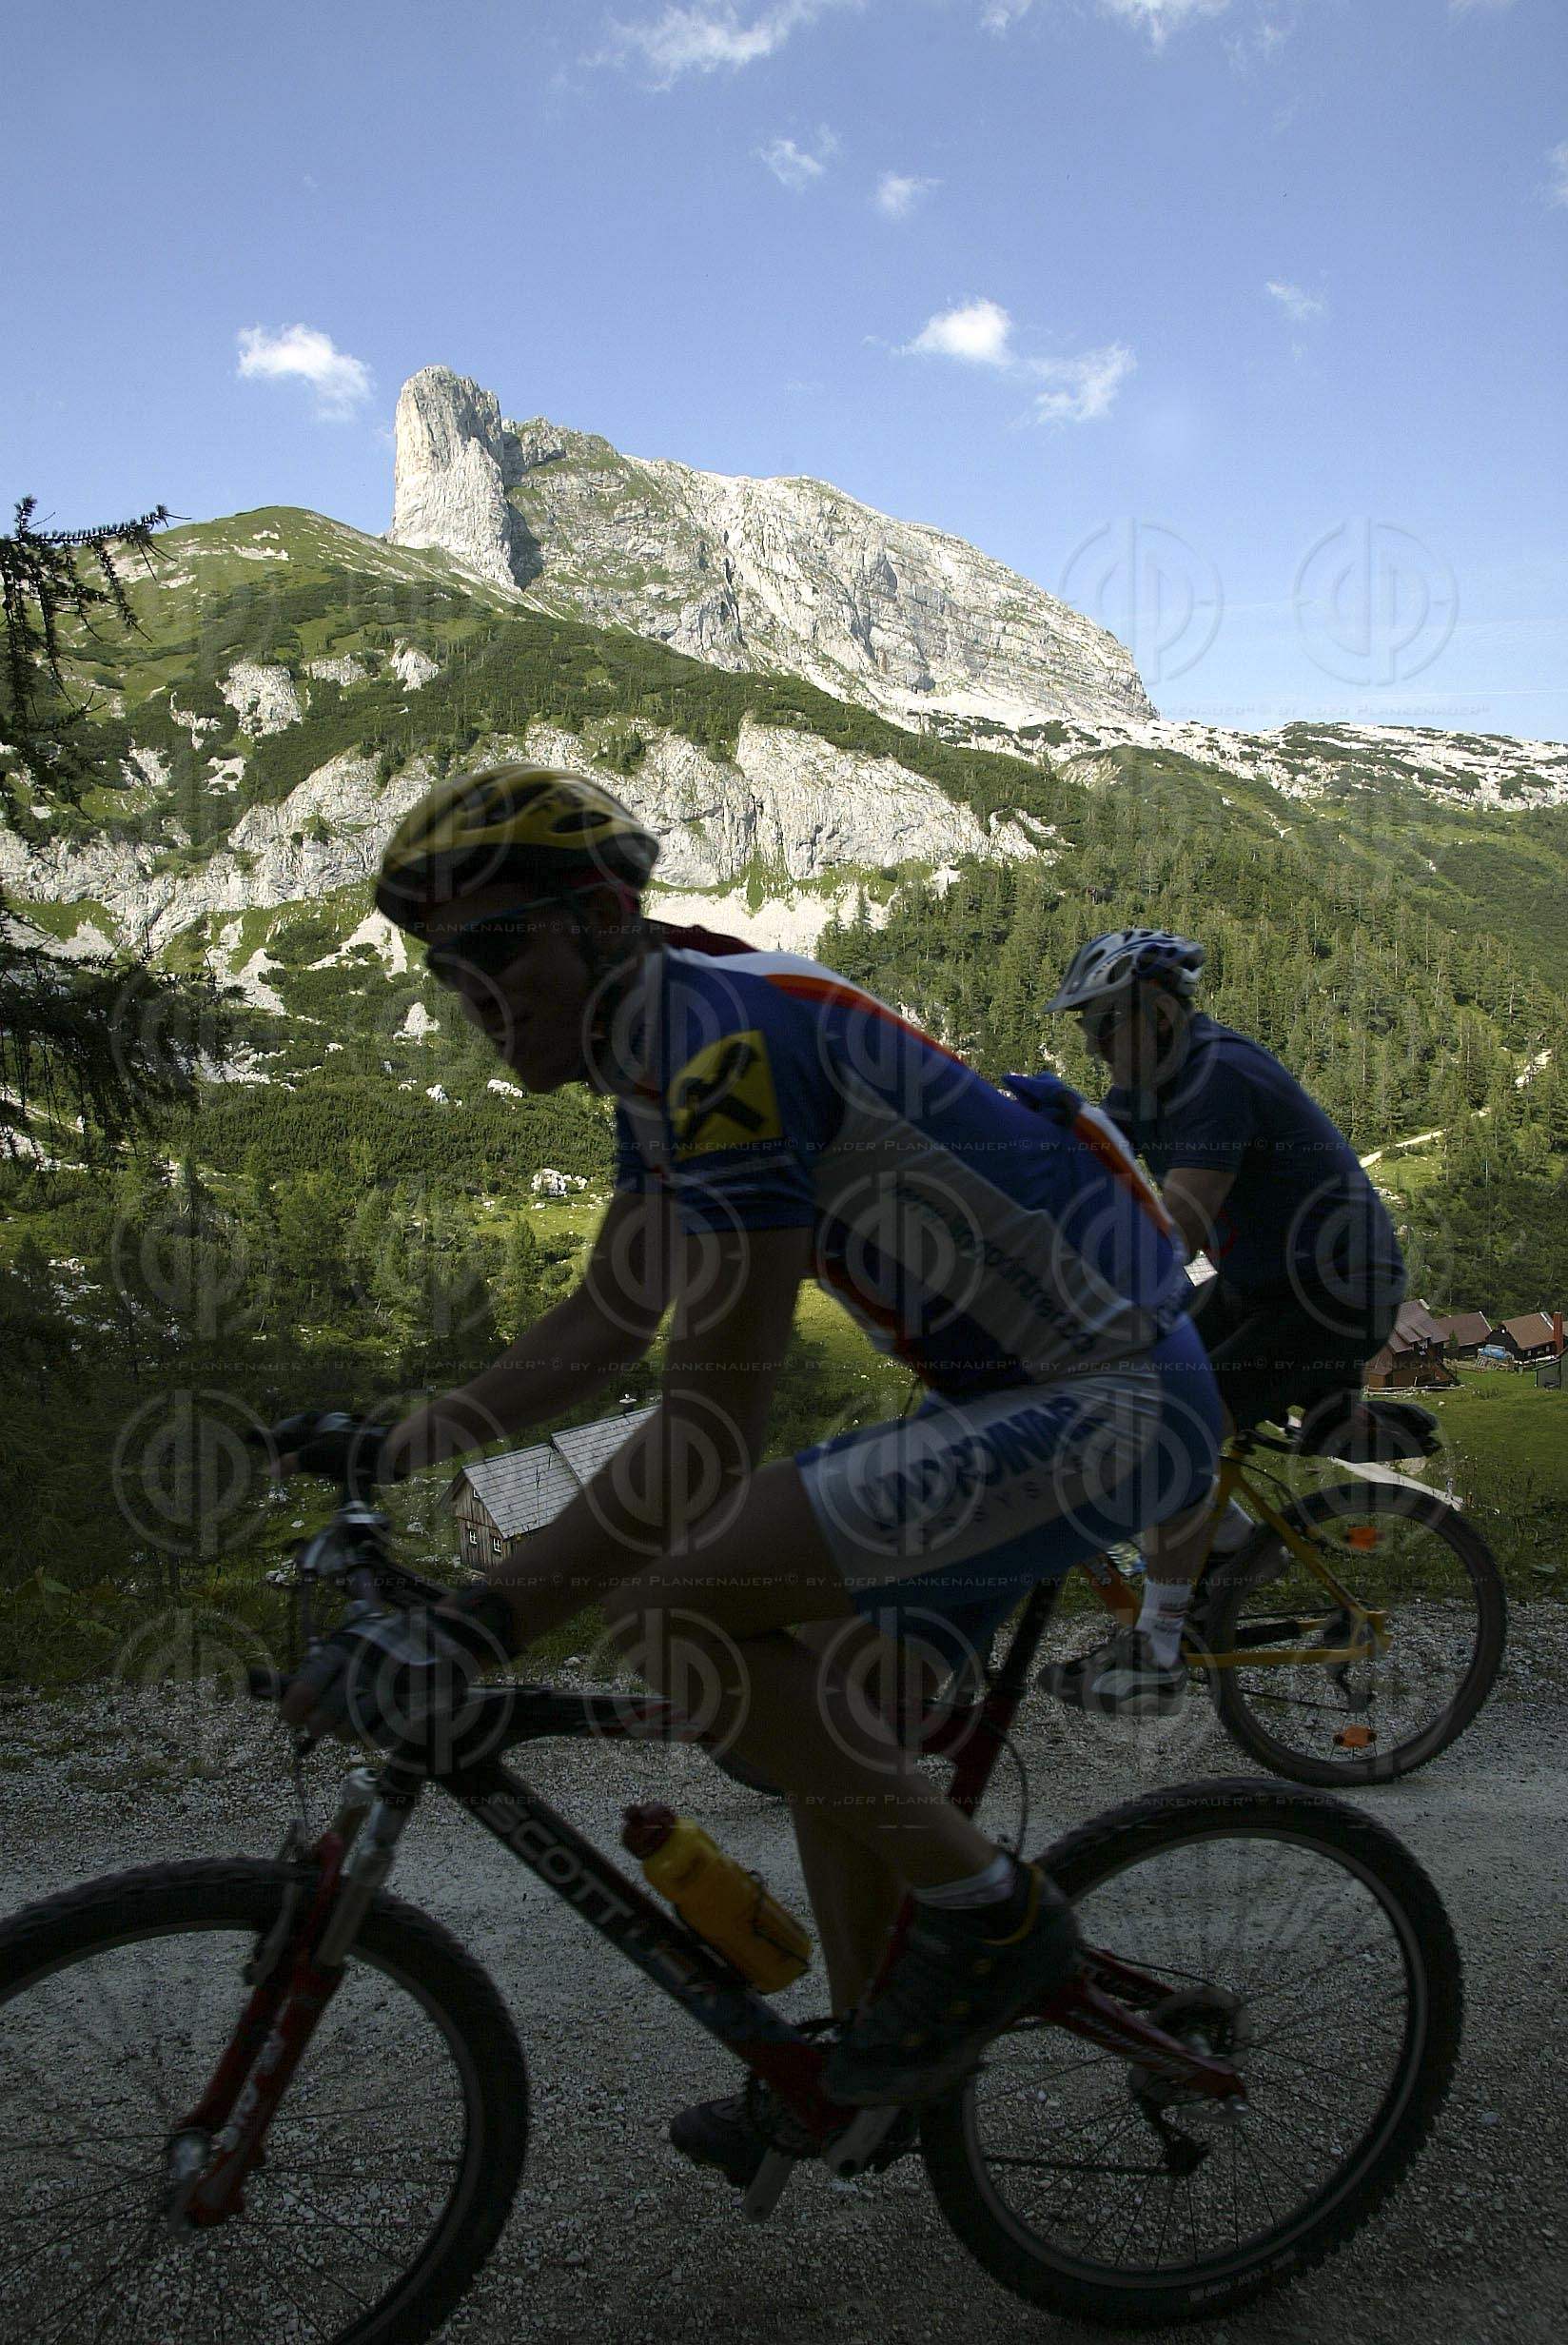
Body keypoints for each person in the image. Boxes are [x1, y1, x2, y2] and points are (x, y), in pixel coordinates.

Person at [280, 770, 1222, 2188]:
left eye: (498, 946)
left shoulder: (722, 1049)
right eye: (443, 963)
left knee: (670, 1607)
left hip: (1115, 1405)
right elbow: (607, 1317)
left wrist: (480, 1623)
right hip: (1039, 1397)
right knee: (830, 1726)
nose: (472, 990)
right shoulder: (661, 1046)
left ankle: (993, 1914)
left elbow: (705, 1432)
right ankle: (862, 2074)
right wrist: (402, 1441)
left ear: (601, 918)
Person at [1035, 927, 1407, 1717]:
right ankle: (1232, 1542)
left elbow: (1176, 1231)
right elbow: (1080, 1158)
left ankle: (1158, 1654)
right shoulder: (1154, 1080)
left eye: (1106, 1022)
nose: (1096, 1043)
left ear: (1159, 1012)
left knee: (1173, 1429)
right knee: (1121, 1389)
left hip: (1331, 1298)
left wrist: (1072, 1303)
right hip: (1260, 1285)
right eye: (1087, 1027)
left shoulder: (1217, 1078)